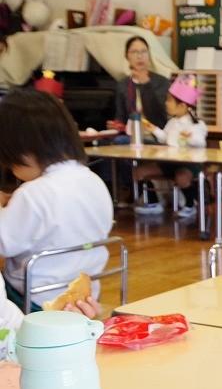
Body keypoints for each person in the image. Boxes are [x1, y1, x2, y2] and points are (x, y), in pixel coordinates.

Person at [0, 90, 114, 311]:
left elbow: (3, 243)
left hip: (36, 300)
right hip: (84, 295)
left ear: (22, 149)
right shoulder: (94, 181)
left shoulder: (33, 193)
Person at [133, 74, 209, 218]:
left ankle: (190, 205)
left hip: (189, 164)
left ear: (182, 106)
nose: (166, 103)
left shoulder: (197, 124)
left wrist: (190, 137)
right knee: (139, 172)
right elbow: (165, 138)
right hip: (169, 162)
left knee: (182, 177)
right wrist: (153, 129)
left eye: (169, 100)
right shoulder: (172, 122)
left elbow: (201, 143)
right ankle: (154, 202)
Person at [110, 36, 170, 131]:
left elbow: (162, 119)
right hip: (130, 134)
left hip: (158, 134)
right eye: (134, 52)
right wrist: (117, 125)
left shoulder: (162, 82)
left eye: (144, 51)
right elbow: (120, 117)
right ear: (127, 56)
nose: (139, 56)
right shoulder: (122, 85)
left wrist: (146, 83)